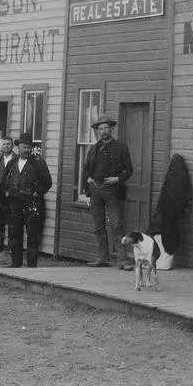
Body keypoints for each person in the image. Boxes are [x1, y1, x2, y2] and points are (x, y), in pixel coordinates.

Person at [81, 114, 134, 270]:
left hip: (113, 191)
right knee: (98, 226)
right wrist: (88, 186)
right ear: (97, 131)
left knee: (116, 225)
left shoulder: (121, 148)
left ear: (111, 129)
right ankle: (103, 258)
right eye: (100, 128)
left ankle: (123, 260)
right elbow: (86, 170)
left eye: (106, 128)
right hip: (95, 191)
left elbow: (129, 170)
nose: (103, 131)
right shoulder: (93, 149)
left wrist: (117, 179)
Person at [4, 133, 52, 268]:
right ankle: (16, 263)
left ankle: (31, 266)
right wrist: (8, 193)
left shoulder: (38, 163)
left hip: (32, 203)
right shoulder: (12, 163)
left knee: (32, 234)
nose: (26, 150)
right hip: (15, 203)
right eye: (24, 147)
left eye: (28, 148)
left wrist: (38, 192)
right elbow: (5, 181)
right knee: (15, 233)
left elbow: (47, 182)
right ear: (18, 148)